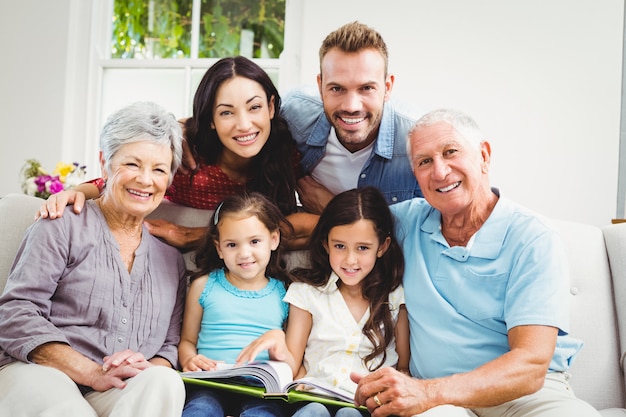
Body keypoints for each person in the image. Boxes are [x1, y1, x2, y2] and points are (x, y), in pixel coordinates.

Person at [352, 109, 601, 417]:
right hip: (438, 401)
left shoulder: (532, 237)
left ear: (484, 155)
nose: (440, 172)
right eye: (424, 161)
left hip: (524, 395)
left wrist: (427, 392)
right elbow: (342, 224)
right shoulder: (406, 222)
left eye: (450, 152)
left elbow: (531, 364)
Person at [0, 101, 187, 417]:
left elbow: (169, 347)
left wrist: (144, 366)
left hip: (116, 391)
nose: (145, 180)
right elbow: (16, 313)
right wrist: (90, 371)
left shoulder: (171, 260)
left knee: (165, 382)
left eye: (159, 169)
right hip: (43, 374)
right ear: (105, 163)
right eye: (132, 164)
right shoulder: (60, 224)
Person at [36, 56, 317, 249]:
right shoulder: (189, 161)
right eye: (226, 112)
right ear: (210, 119)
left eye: (254, 107)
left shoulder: (286, 153)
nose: (244, 124)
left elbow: (313, 222)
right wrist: (76, 193)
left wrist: (199, 236)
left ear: (270, 107)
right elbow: (127, 180)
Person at [284, 186, 410, 417]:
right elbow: (292, 363)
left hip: (367, 407)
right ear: (326, 244)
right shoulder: (306, 293)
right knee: (312, 412)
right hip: (313, 398)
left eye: (362, 248)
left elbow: (403, 366)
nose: (350, 260)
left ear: (382, 247)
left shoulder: (394, 297)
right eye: (339, 246)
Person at [280, 21, 423, 214]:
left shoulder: (418, 141)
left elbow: (428, 232)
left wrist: (332, 210)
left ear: (387, 88)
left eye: (366, 88)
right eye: (337, 88)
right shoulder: (293, 113)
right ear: (320, 86)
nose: (351, 106)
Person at [178, 192, 291, 417]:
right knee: (199, 411)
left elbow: (290, 357)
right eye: (232, 244)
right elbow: (187, 341)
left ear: (274, 239)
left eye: (255, 241)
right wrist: (189, 359)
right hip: (210, 385)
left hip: (261, 390)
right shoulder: (204, 286)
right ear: (219, 248)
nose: (244, 253)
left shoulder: (285, 293)